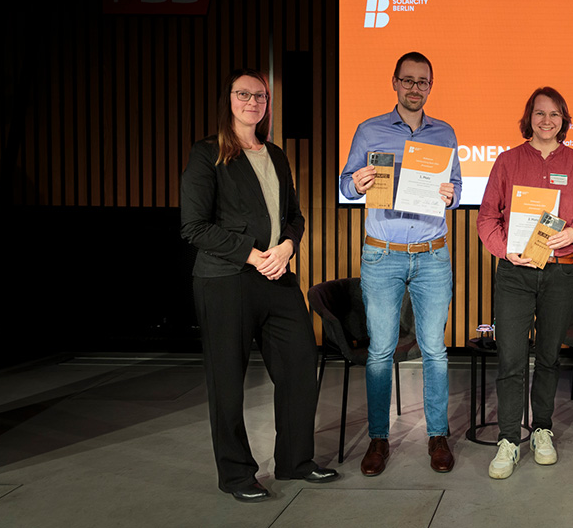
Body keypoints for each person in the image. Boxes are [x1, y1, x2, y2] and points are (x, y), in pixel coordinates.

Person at [180, 69, 339, 502]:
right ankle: (236, 475)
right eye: (243, 94)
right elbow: (194, 227)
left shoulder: (276, 155)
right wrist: (254, 254)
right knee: (228, 382)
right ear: (228, 100)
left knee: (300, 367)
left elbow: (295, 215)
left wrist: (287, 246)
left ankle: (295, 461)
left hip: (278, 277)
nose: (253, 101)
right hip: (226, 281)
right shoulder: (207, 154)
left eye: (260, 96)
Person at [339, 52, 462, 476]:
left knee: (435, 351)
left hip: (432, 254)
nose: (415, 88)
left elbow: (457, 188)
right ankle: (378, 438)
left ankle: (437, 435)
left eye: (422, 82)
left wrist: (451, 195)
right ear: (394, 82)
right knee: (380, 352)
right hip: (382, 254)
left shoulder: (444, 133)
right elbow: (346, 184)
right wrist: (353, 183)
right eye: (407, 80)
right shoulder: (369, 131)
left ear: (431, 86)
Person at [476, 87, 573, 479]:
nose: (547, 121)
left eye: (555, 114)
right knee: (510, 358)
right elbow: (487, 218)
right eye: (540, 113)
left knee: (547, 356)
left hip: (561, 272)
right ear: (530, 117)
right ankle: (509, 439)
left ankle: (542, 428)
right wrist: (504, 250)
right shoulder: (508, 161)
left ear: (564, 119)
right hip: (516, 274)